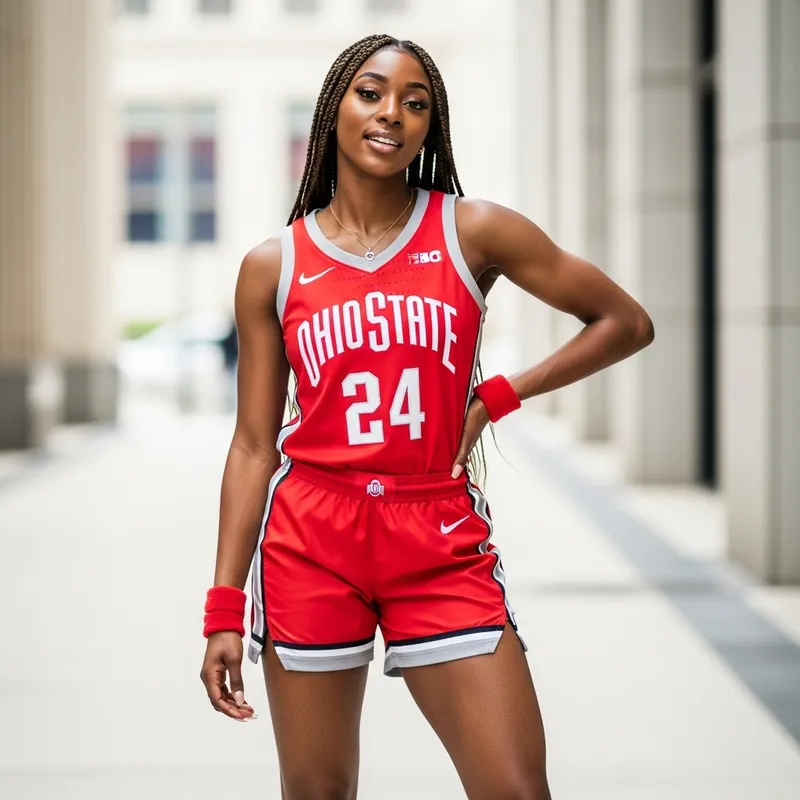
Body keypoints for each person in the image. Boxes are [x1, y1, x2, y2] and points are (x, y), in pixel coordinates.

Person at [200, 34, 653, 800]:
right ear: (333, 109)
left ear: (430, 129)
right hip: (311, 539)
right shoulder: (273, 267)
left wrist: (494, 398)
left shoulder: (472, 231)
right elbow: (252, 445)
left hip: (435, 534)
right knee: (317, 793)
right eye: (371, 93)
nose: (392, 114)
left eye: (417, 103)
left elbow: (624, 322)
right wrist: (222, 606)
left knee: (515, 788)